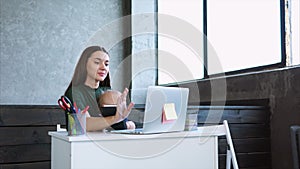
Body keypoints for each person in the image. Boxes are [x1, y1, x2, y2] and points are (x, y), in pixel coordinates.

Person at [65, 46, 134, 131]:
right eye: (97, 62)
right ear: (84, 64)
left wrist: (125, 122)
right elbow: (85, 124)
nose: (103, 67)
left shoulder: (107, 92)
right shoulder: (75, 92)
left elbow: (124, 124)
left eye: (106, 64)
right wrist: (115, 119)